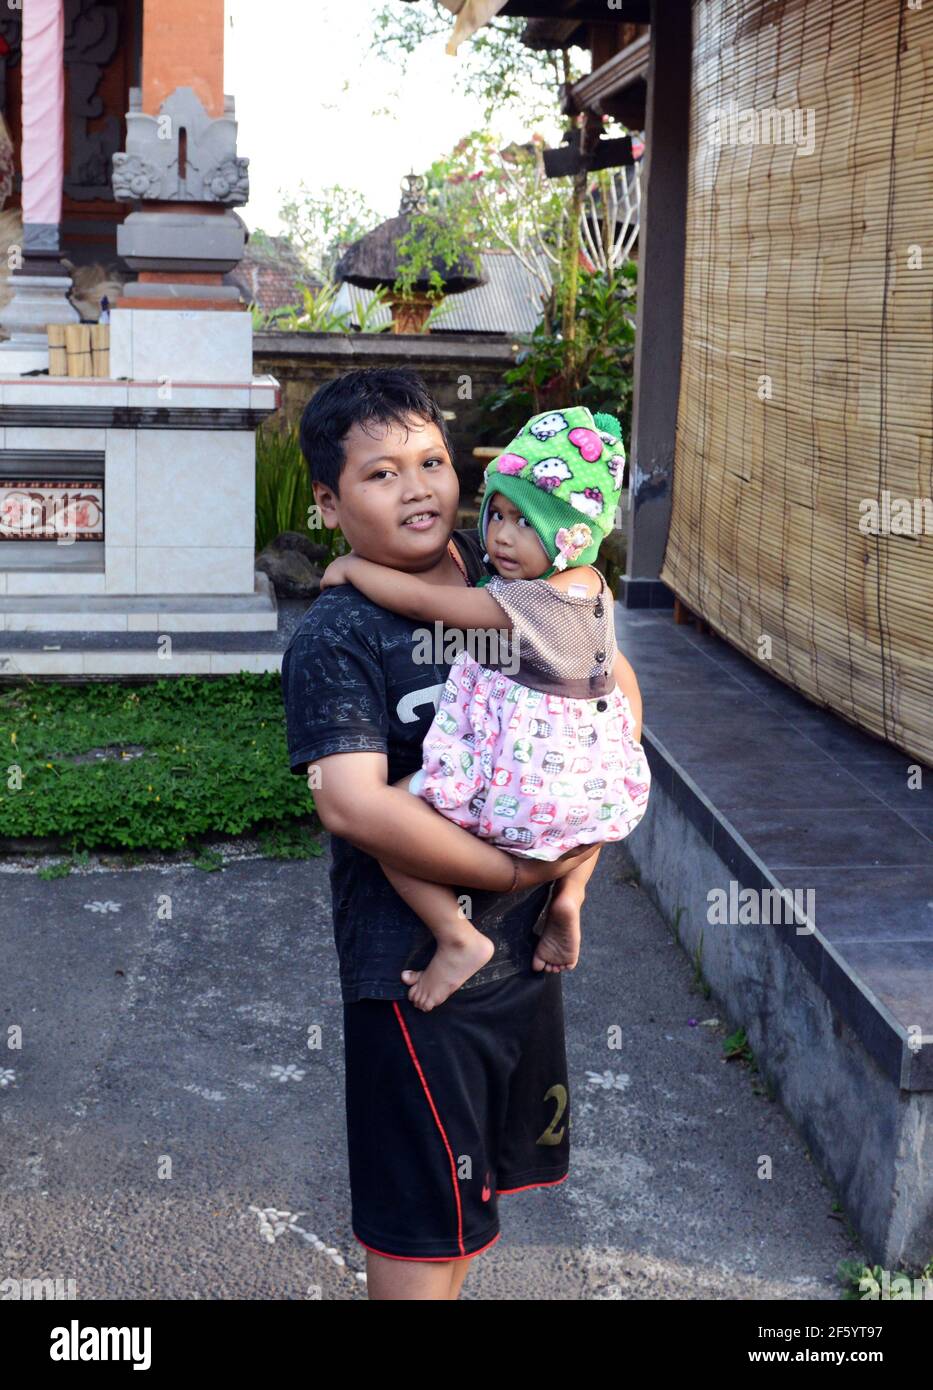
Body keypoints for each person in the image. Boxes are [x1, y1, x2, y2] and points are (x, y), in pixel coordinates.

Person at [280, 369, 634, 1300]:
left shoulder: (505, 571)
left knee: (470, 1223)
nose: (419, 488)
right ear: (328, 503)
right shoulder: (338, 635)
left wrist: (572, 854)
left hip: (519, 970)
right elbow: (352, 805)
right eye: (381, 474)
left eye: (431, 461)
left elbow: (610, 676)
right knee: (418, 1240)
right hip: (414, 983)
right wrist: (519, 870)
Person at [318, 404, 650, 1013]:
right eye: (495, 513)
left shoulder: (519, 603)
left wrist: (352, 567)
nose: (498, 536)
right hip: (593, 789)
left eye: (523, 522)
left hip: (521, 784)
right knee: (586, 819)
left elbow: (420, 602)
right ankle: (571, 896)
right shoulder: (591, 585)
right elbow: (622, 688)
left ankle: (454, 935)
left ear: (564, 536)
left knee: (392, 818)